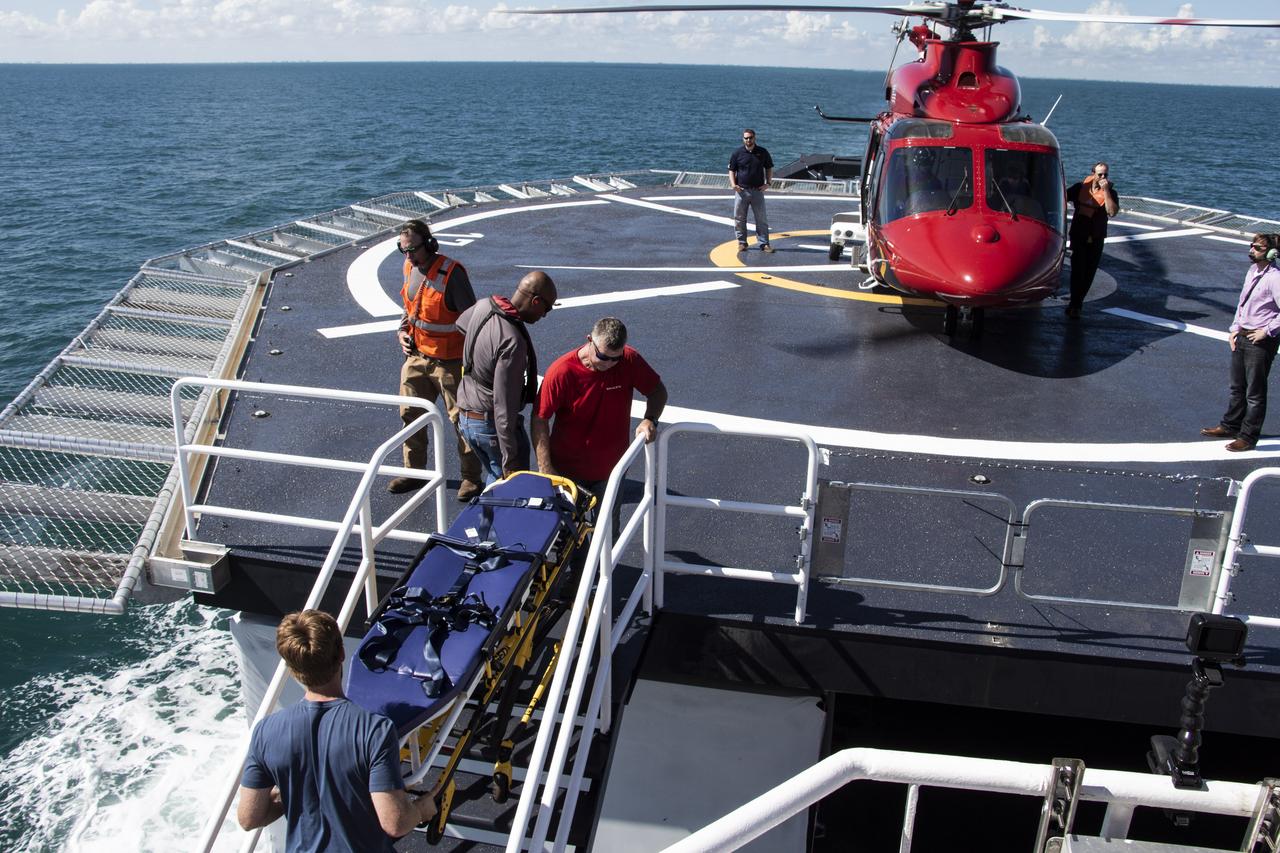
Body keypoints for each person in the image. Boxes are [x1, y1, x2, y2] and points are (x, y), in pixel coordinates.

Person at [237, 609, 436, 851]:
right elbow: (395, 823)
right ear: (341, 653)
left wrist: (293, 791)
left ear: (292, 668)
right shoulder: (375, 730)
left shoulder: (266, 732)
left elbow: (249, 817)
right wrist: (420, 811)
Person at [389, 219, 483, 499]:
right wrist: (402, 330)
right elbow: (412, 308)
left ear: (430, 244)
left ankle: (471, 478)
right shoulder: (409, 267)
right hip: (417, 357)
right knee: (410, 414)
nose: (408, 256)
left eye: (413, 250)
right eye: (403, 251)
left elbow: (472, 320)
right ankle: (414, 471)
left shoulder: (452, 275)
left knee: (462, 422)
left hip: (451, 363)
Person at [532, 317, 667, 508]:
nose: (609, 364)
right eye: (603, 357)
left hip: (612, 471)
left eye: (615, 358)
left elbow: (657, 392)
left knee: (609, 534)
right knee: (567, 533)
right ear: (589, 340)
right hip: (567, 473)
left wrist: (650, 419)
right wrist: (546, 468)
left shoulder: (629, 360)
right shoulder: (562, 372)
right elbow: (539, 418)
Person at [454, 271, 558, 484]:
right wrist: (510, 460)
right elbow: (504, 407)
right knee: (506, 490)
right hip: (489, 425)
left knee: (493, 480)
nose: (545, 315)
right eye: (546, 308)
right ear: (535, 301)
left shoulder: (484, 305)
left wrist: (483, 352)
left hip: (466, 417)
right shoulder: (512, 342)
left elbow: (461, 323)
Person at [1200, 233, 1280, 452]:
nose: (1252, 250)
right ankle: (1230, 425)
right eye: (1252, 245)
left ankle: (1248, 436)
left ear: (1272, 253)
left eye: (1258, 248)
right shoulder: (1252, 271)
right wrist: (1234, 329)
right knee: (1237, 387)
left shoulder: (1275, 278)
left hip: (1259, 340)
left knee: (1255, 393)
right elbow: (1242, 304)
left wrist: (1266, 331)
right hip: (1243, 335)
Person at [1064, 162, 1120, 318]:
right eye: (1100, 174)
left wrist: (1106, 191)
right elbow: (1062, 198)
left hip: (1096, 238)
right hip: (1079, 236)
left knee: (1089, 273)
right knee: (1077, 270)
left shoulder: (1112, 193)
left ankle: (1077, 304)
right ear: (1093, 173)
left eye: (1105, 175)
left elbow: (1112, 211)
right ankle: (1075, 304)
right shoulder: (1079, 188)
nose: (1103, 178)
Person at [728, 128, 774, 254]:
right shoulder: (737, 153)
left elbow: (769, 167)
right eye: (746, 138)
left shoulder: (763, 152)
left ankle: (764, 244)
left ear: (755, 138)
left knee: (761, 219)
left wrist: (768, 183)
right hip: (741, 191)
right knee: (739, 218)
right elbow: (732, 170)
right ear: (743, 139)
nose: (748, 140)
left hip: (757, 191)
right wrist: (733, 185)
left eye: (750, 138)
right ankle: (742, 243)